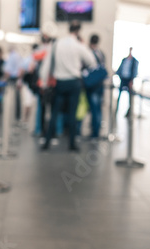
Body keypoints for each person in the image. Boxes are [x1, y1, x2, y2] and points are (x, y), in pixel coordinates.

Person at [40, 20, 96, 152]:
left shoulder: (57, 44)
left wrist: (43, 83)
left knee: (54, 113)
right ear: (78, 31)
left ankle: (47, 141)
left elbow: (46, 66)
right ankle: (72, 144)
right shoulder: (78, 45)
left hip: (60, 83)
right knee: (72, 114)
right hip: (74, 83)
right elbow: (91, 62)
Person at [85, 34, 106, 139]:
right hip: (99, 85)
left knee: (94, 109)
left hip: (93, 86)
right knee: (97, 109)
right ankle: (96, 130)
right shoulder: (101, 53)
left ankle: (95, 132)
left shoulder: (90, 54)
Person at [115, 47, 139, 116]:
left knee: (129, 97)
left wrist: (132, 80)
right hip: (123, 79)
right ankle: (116, 109)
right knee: (119, 95)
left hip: (129, 80)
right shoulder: (124, 60)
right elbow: (120, 69)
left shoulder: (134, 61)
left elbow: (135, 71)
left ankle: (129, 112)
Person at [2, 45, 22, 122]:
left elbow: (8, 71)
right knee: (17, 100)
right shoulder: (18, 56)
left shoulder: (11, 57)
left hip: (12, 81)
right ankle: (17, 117)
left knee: (10, 100)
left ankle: (11, 119)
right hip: (17, 79)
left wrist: (4, 79)